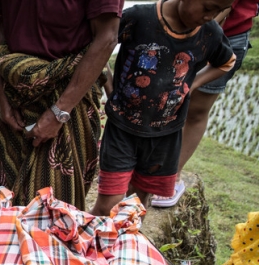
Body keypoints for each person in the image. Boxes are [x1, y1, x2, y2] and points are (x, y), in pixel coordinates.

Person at [90, 0, 236, 216]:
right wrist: (109, 84)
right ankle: (90, 245)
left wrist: (192, 84)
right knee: (108, 204)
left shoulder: (209, 33)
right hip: (122, 129)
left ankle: (124, 247)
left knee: (137, 206)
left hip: (165, 134)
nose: (210, 16)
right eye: (207, 8)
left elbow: (226, 62)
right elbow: (99, 43)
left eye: (219, 11)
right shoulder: (138, 18)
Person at [0, 0, 123, 210]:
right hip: (13, 99)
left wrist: (59, 111)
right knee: (3, 204)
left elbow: (107, 37)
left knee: (57, 211)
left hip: (69, 99)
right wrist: (1, 98)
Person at [155, 0, 258, 208]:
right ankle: (150, 166)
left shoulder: (212, 15)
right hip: (179, 28)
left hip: (229, 33)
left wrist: (198, 31)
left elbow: (224, 5)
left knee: (196, 110)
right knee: (161, 101)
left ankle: (171, 176)